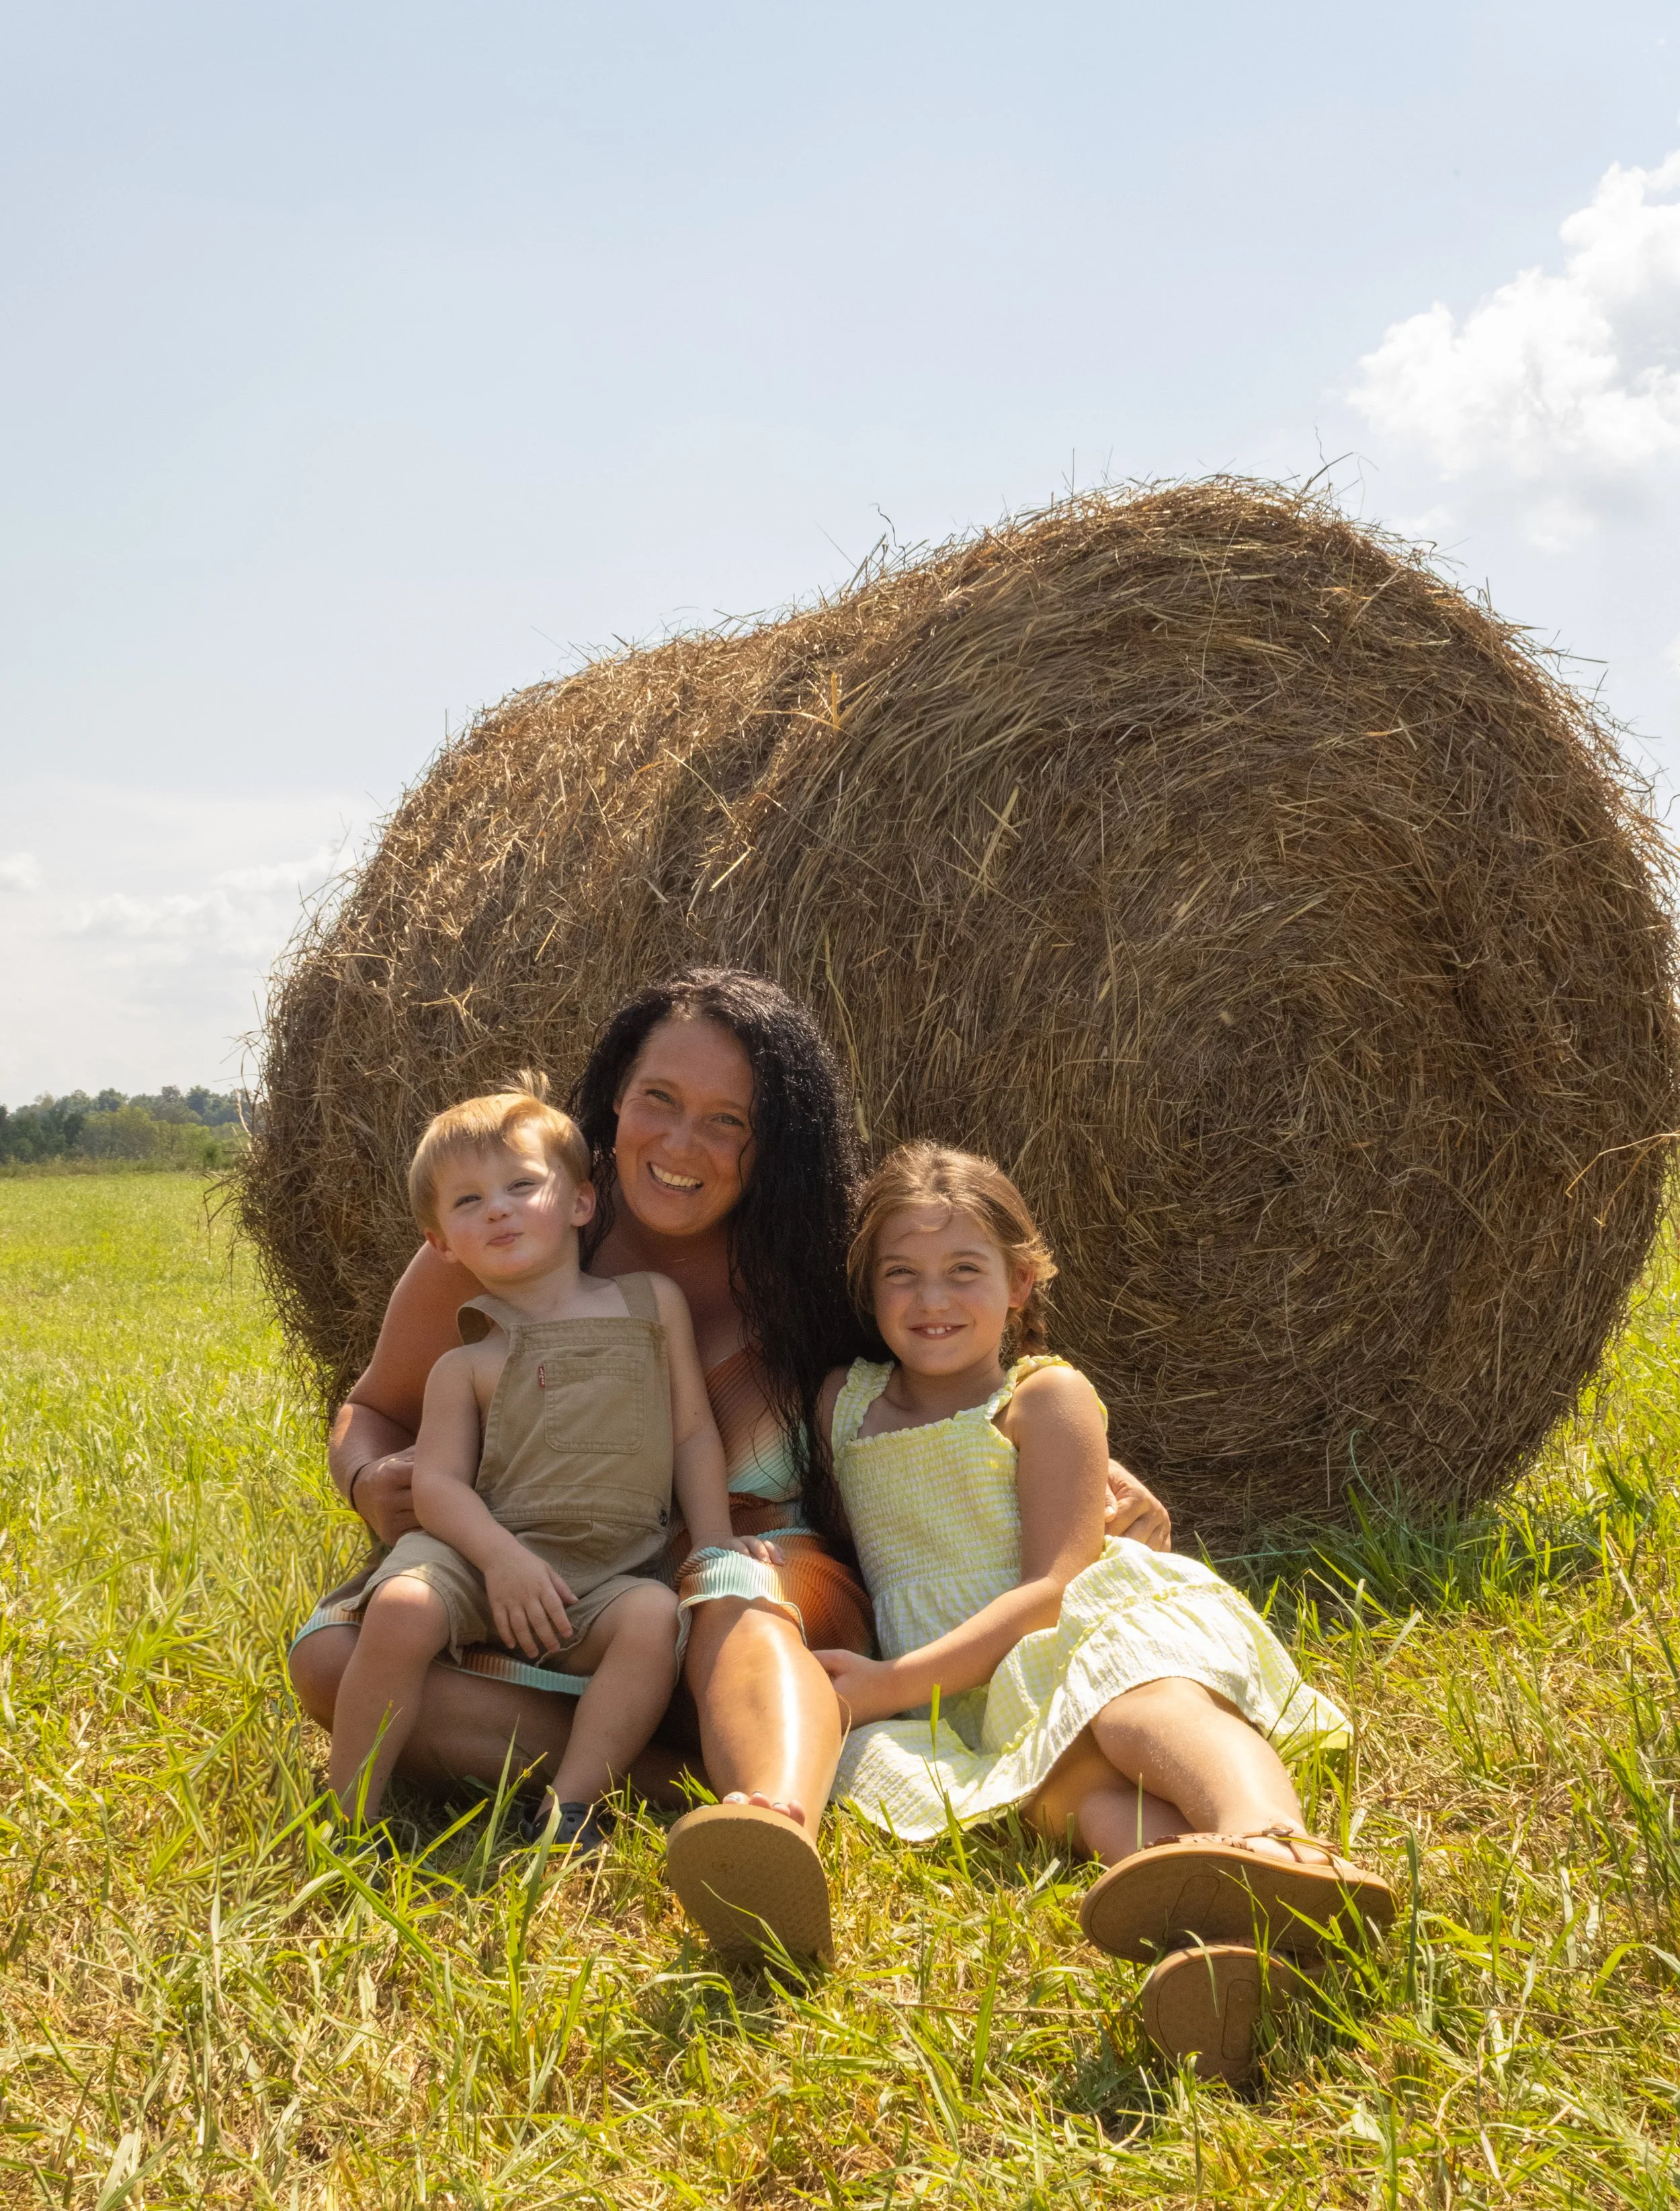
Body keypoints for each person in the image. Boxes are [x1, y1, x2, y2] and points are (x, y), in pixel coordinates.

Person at [287, 968, 1175, 1960]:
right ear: (613, 1098)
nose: (680, 1143)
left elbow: (958, 1347)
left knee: (732, 1583)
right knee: (333, 1660)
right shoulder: (502, 1234)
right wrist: (369, 1479)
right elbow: (370, 1410)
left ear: (773, 1144)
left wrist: (1084, 1461)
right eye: (659, 1099)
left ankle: (772, 1829)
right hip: (551, 1593)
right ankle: (667, 1781)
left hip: (756, 1597)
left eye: (727, 1121)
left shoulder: (819, 1258)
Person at [813, 1140, 1393, 2082]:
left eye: (965, 1272)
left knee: (1139, 1708)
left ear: (1021, 1281)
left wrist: (892, 1682)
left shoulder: (1044, 1395)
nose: (932, 1300)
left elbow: (1053, 1587)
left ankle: (1273, 1841)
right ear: (868, 1288)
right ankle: (1244, 1954)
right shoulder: (845, 1402)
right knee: (1073, 1800)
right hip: (986, 1692)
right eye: (901, 1275)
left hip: (1080, 1628)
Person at [326, 1078, 751, 1853]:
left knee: (651, 1619)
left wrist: (715, 1539)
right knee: (400, 1608)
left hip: (604, 1571)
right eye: (467, 1202)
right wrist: (499, 1558)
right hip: (479, 1556)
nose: (497, 1207)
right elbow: (439, 1484)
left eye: (522, 1185)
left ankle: (572, 1805)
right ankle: (349, 1810)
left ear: (582, 1202)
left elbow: (691, 1433)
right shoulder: (467, 1360)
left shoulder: (650, 1304)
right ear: (441, 1243)